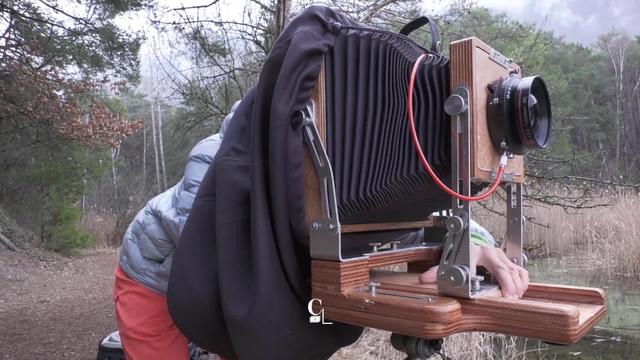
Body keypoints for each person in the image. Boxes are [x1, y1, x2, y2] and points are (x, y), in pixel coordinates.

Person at [113, 101, 239, 360]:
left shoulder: (301, 160)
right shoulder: (213, 151)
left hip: (211, 289)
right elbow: (196, 237)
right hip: (151, 275)